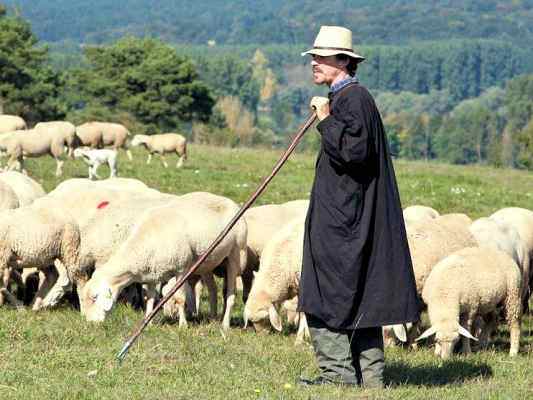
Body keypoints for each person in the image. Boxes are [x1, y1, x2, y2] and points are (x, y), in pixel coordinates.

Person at [297, 25, 420, 388]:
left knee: (326, 291)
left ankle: (338, 377)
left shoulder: (353, 99)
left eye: (321, 58)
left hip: (345, 220)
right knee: (360, 290)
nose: (314, 63)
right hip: (352, 215)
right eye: (314, 57)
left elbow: (354, 152)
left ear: (343, 61)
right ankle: (370, 379)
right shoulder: (350, 98)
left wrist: (325, 120)